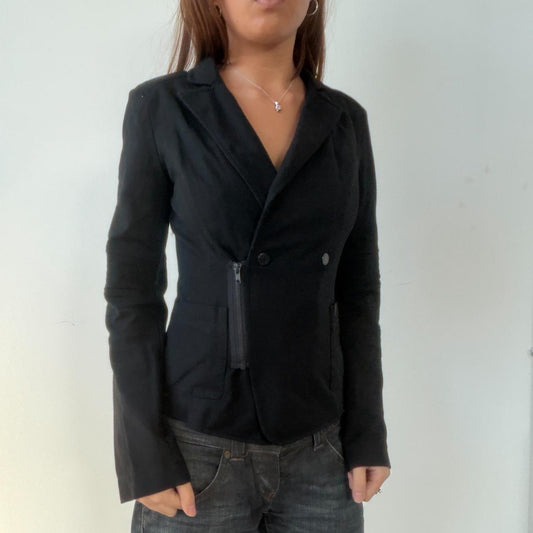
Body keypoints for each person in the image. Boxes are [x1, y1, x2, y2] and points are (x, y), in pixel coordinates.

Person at [103, 0, 392, 531]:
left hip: (322, 449)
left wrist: (367, 431)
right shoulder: (163, 107)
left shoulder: (345, 120)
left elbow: (358, 291)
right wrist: (143, 452)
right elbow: (132, 291)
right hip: (197, 447)